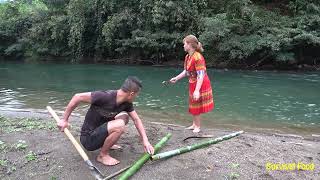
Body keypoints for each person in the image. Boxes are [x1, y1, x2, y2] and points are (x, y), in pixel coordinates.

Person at [58, 76, 154, 166]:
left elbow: (136, 120)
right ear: (131, 94)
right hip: (88, 139)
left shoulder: (126, 103)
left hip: (99, 133)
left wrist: (145, 141)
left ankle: (107, 143)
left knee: (124, 117)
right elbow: (77, 97)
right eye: (137, 95)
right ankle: (102, 155)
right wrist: (64, 120)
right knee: (120, 125)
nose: (136, 97)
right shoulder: (104, 96)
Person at [170, 35, 214, 133]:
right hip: (192, 82)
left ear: (189, 44)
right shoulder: (187, 56)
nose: (183, 46)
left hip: (200, 83)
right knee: (193, 104)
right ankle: (194, 124)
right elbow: (186, 72)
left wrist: (197, 90)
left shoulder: (198, 57)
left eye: (184, 44)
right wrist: (176, 78)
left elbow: (201, 75)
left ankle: (197, 126)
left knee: (196, 104)